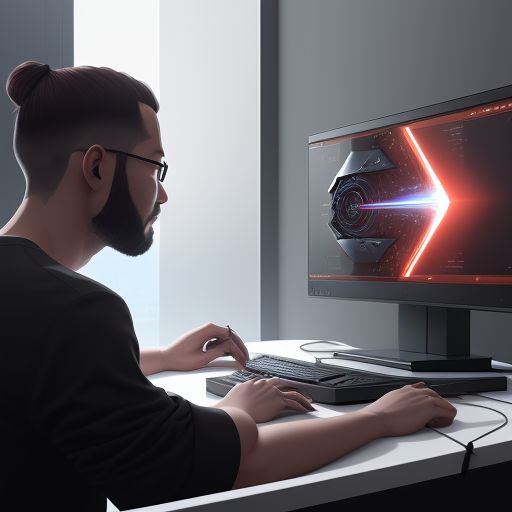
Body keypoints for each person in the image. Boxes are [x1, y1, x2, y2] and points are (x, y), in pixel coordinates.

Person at [0, 61, 457, 512]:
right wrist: (375, 417)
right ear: (97, 167)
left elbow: (35, 364)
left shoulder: (32, 299)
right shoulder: (75, 311)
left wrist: (163, 358)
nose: (162, 194)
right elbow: (202, 469)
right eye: (155, 166)